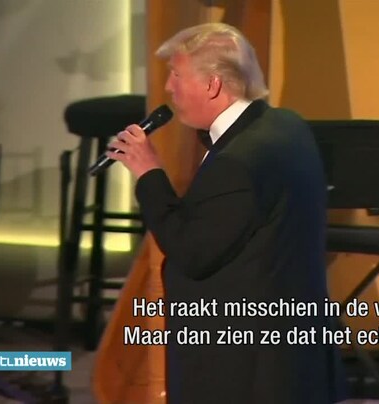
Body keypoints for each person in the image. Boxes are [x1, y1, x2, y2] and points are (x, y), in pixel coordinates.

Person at [106, 22, 347, 404]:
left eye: (177, 75)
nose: (168, 87)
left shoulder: (236, 164)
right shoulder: (287, 125)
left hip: (242, 365)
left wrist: (149, 173)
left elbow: (191, 252)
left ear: (213, 85)